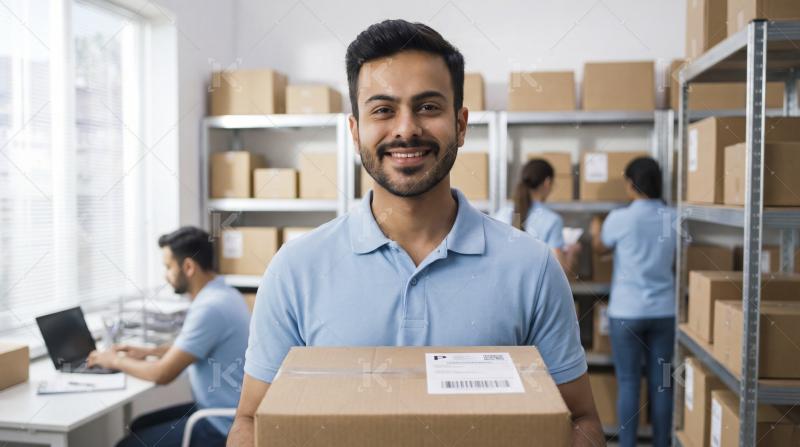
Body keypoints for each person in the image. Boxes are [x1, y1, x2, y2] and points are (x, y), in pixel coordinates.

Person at [227, 20, 603, 447]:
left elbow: (582, 421)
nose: (406, 129)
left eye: (427, 107)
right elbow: (251, 423)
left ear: (461, 124)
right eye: (383, 110)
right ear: (355, 131)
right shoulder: (295, 270)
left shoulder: (532, 268)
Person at [88, 226, 250, 447]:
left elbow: (162, 374)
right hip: (226, 410)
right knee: (139, 426)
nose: (166, 275)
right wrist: (149, 352)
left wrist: (114, 360)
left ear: (188, 267)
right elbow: (191, 347)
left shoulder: (210, 308)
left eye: (168, 267)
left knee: (126, 445)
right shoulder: (225, 294)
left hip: (221, 425)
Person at [590, 157, 675, 447]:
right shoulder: (671, 217)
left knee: (628, 382)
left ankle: (627, 444)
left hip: (627, 312)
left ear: (630, 184)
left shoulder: (620, 218)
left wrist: (595, 228)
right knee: (662, 384)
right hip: (664, 312)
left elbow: (600, 248)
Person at [494, 158, 581, 274]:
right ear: (547, 182)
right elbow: (559, 271)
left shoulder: (502, 213)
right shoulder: (552, 220)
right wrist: (572, 251)